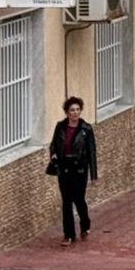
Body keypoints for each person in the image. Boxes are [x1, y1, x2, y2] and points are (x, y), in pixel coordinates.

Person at [46, 95, 99, 244]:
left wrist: (93, 175)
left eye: (77, 110)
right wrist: (53, 155)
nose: (75, 113)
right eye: (72, 110)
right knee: (66, 201)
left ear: (80, 111)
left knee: (78, 199)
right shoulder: (60, 127)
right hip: (65, 168)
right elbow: (54, 145)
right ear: (67, 112)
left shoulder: (86, 129)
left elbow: (91, 152)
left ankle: (85, 223)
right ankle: (69, 234)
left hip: (80, 169)